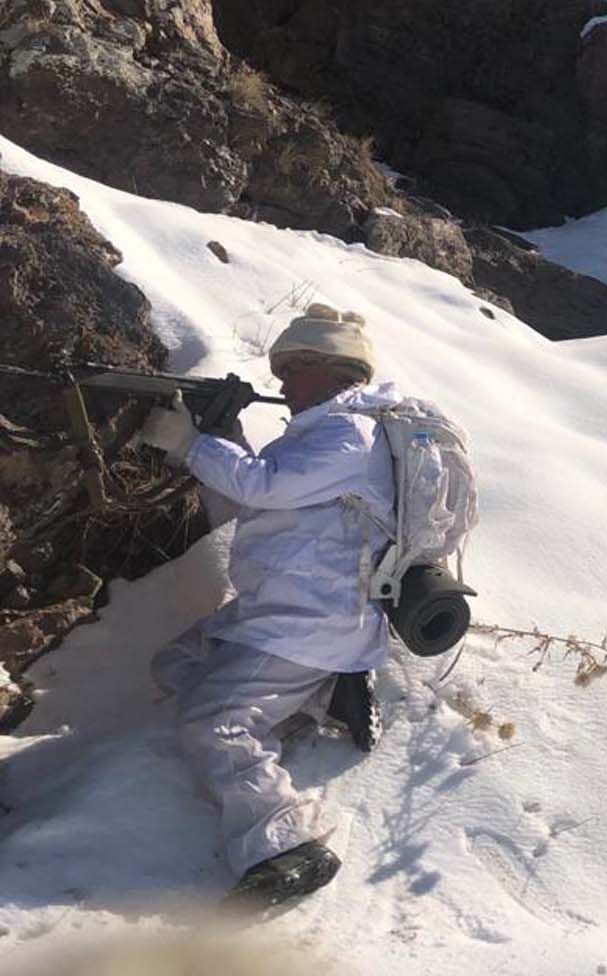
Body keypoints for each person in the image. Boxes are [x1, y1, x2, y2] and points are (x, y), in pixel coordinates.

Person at [139, 304, 402, 910]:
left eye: (291, 369)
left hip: (304, 624)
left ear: (325, 368)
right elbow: (271, 492)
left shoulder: (350, 434)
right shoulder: (328, 434)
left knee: (214, 722)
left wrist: (192, 444)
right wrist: (222, 437)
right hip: (285, 613)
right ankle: (321, 694)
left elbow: (264, 487)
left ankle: (288, 842)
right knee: (177, 663)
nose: (281, 383)